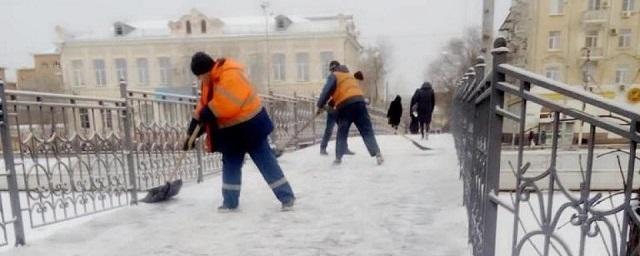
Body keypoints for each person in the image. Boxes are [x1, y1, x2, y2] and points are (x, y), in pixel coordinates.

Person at [184, 52, 295, 212]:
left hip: (251, 127)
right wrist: (191, 131)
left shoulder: (230, 74)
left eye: (200, 76)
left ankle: (287, 197)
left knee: (266, 162)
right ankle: (230, 202)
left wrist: (204, 115)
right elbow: (203, 106)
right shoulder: (208, 82)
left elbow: (227, 104)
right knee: (230, 165)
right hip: (231, 132)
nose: (199, 80)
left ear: (207, 71)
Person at [317, 61, 383, 165]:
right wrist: (326, 105)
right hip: (360, 102)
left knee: (342, 131)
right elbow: (341, 93)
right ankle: (377, 154)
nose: (331, 72)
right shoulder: (349, 76)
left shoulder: (334, 75)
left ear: (333, 70)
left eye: (331, 70)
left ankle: (338, 158)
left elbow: (327, 91)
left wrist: (320, 104)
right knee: (366, 130)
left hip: (345, 106)